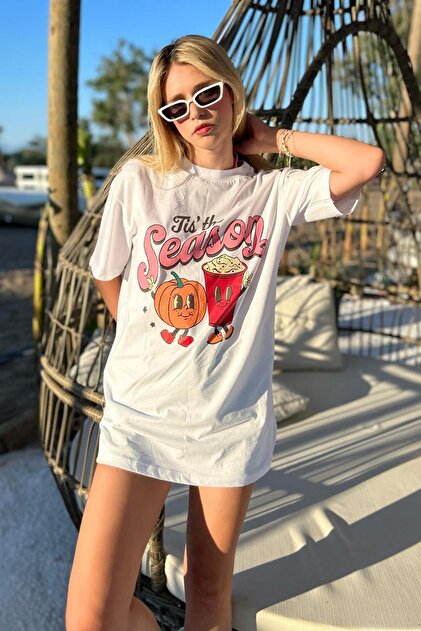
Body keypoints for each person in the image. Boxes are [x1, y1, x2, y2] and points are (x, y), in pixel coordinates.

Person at [65, 34, 385, 631]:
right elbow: (108, 275)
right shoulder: (139, 181)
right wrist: (151, 339)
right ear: (165, 119)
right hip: (141, 414)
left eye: (208, 93)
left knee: (209, 592)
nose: (196, 112)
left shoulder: (272, 192)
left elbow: (366, 162)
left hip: (227, 421)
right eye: (176, 106)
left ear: (231, 91)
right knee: (90, 617)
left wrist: (273, 140)